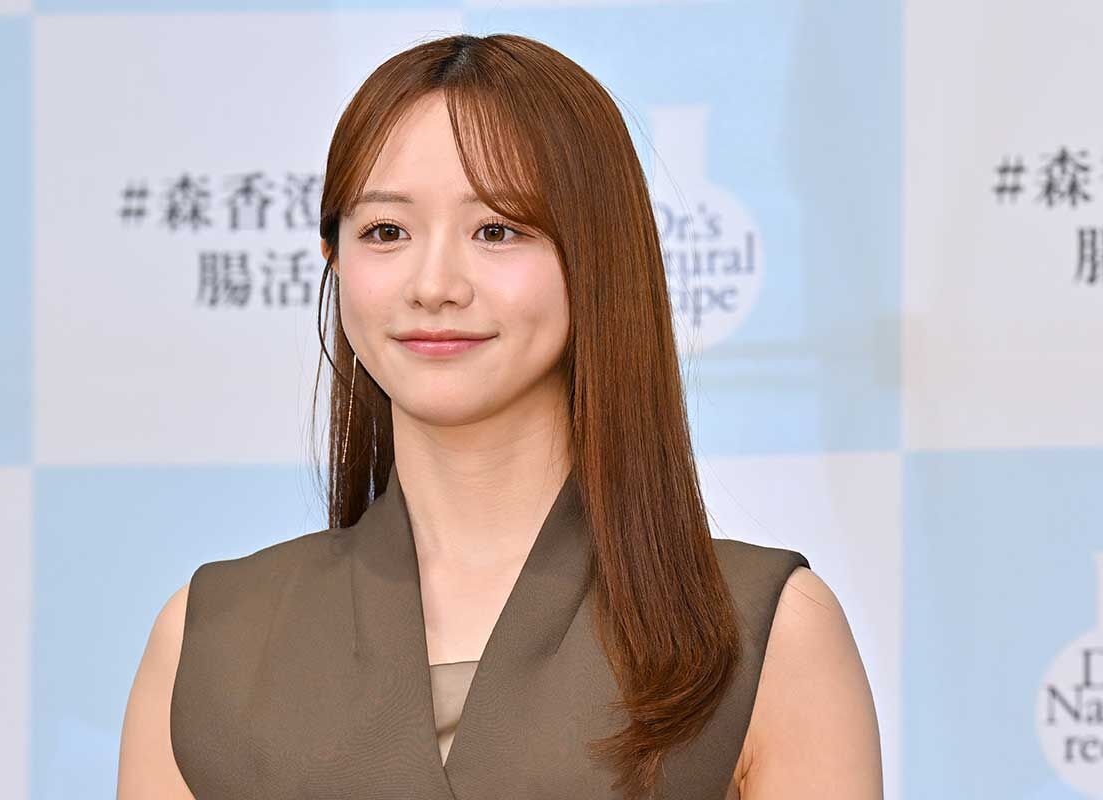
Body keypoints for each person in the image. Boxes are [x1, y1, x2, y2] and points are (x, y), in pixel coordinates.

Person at [117, 33, 882, 799]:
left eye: (497, 230)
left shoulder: (761, 634)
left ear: (599, 256)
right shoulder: (210, 642)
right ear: (335, 260)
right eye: (386, 232)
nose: (434, 285)